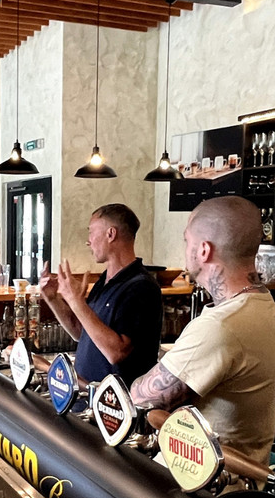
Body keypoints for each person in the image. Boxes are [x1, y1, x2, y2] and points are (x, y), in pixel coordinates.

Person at [131, 196, 275, 467]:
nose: (185, 248)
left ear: (204, 250)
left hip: (197, 483)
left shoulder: (222, 325)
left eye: (187, 240)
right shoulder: (264, 304)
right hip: (241, 478)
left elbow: (140, 401)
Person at [39, 203, 163, 386]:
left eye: (91, 232)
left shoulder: (142, 287)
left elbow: (116, 352)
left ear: (110, 234)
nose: (88, 241)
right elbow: (81, 332)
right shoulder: (105, 280)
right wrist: (53, 299)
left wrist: (75, 301)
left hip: (115, 401)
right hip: (87, 394)